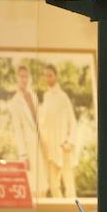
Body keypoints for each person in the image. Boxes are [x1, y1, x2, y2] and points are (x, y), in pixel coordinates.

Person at [0, 63, 45, 196]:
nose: (24, 79)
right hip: (28, 148)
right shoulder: (15, 102)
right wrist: (23, 156)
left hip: (39, 145)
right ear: (17, 79)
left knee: (43, 187)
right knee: (33, 188)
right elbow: (18, 131)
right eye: (21, 77)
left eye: (26, 76)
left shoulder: (33, 96)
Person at [38, 63, 79, 198]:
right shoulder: (46, 97)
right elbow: (42, 123)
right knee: (54, 183)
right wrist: (44, 141)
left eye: (50, 75)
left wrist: (69, 141)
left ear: (56, 76)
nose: (48, 78)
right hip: (50, 146)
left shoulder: (63, 97)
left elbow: (72, 122)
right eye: (46, 76)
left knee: (68, 181)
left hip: (64, 145)